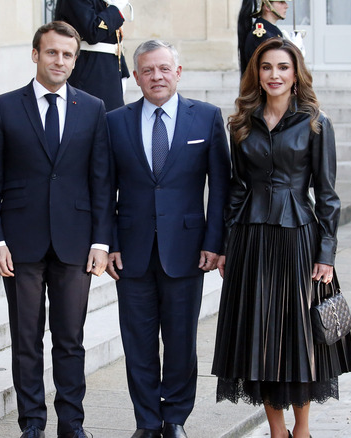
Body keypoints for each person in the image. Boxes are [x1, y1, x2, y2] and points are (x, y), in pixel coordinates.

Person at [211, 38, 351, 438]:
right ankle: (277, 433)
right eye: (266, 67)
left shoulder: (315, 122)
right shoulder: (241, 122)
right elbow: (237, 189)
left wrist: (326, 253)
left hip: (299, 241)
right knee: (259, 334)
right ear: (256, 73)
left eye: (283, 68)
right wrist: (225, 246)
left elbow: (327, 195)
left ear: (296, 75)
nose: (274, 75)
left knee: (299, 336)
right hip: (251, 241)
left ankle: (303, 431)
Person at [0, 21, 113, 438]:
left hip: (76, 242)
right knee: (26, 339)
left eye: (68, 54)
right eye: (52, 52)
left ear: (76, 60)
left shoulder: (92, 108)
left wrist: (100, 241)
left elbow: (101, 180)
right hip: (19, 242)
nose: (60, 60)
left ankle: (72, 425)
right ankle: (32, 425)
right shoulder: (3, 107)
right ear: (36, 55)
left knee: (70, 339)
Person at [106, 40, 231, 438]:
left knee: (180, 343)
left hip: (187, 251)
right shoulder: (115, 122)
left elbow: (221, 186)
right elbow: (103, 189)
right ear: (137, 76)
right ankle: (146, 421)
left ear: (178, 72)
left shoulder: (207, 118)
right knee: (138, 343)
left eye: (164, 69)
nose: (156, 77)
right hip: (132, 252)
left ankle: (174, 418)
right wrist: (110, 243)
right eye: (148, 70)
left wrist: (215, 242)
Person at [54, 0, 131, 111]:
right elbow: (93, 32)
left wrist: (122, 71)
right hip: (90, 70)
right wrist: (115, 9)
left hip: (110, 70)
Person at [238, 0, 289, 76]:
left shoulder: (273, 31)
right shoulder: (261, 36)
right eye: (281, 2)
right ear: (267, 7)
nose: (286, 6)